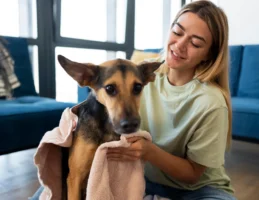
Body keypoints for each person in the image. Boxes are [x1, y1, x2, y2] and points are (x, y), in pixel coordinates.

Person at [31, 1, 236, 199]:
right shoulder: (140, 71)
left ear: (208, 55)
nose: (180, 45)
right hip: (144, 177)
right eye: (177, 31)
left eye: (195, 43)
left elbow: (193, 175)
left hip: (197, 190)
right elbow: (99, 96)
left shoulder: (211, 102)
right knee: (50, 190)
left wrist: (149, 152)